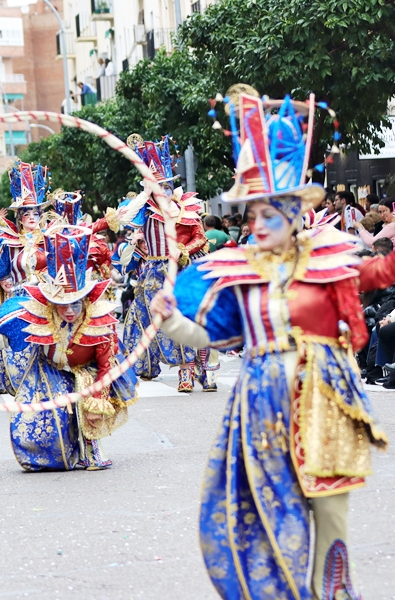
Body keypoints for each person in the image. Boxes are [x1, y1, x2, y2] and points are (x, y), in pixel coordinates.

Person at [151, 91, 394, 599]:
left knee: (330, 508)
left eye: (265, 213)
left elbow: (376, 272)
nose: (254, 224)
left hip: (326, 397)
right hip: (261, 402)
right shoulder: (238, 273)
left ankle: (333, 593)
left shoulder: (329, 259)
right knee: (269, 509)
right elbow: (210, 339)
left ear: (290, 211)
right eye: (250, 214)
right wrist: (172, 322)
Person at [0, 224, 137, 471]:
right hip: (47, 370)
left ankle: (91, 449)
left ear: (85, 300)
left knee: (86, 392)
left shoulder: (99, 325)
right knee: (40, 426)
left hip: (88, 372)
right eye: (62, 305)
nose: (70, 311)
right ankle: (53, 451)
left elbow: (105, 367)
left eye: (75, 304)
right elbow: (1, 338)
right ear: (51, 304)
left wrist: (96, 405)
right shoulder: (36, 315)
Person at [120, 134, 214, 392]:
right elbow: (124, 220)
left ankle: (191, 371)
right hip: (151, 273)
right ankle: (145, 366)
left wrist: (184, 249)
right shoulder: (144, 209)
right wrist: (144, 193)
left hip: (180, 270)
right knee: (141, 320)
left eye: (166, 185)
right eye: (158, 186)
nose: (164, 190)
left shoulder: (186, 208)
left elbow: (199, 237)